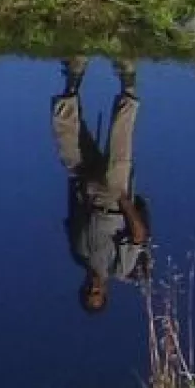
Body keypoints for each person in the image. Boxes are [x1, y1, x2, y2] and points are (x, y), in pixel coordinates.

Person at [52, 56, 151, 314]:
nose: (92, 288)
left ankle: (74, 75)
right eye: (96, 293)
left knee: (64, 135)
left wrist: (76, 185)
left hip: (86, 190)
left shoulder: (79, 255)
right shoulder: (120, 268)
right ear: (104, 292)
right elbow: (139, 235)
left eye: (88, 292)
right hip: (114, 200)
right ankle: (128, 78)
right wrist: (125, 201)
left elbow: (73, 218)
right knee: (121, 137)